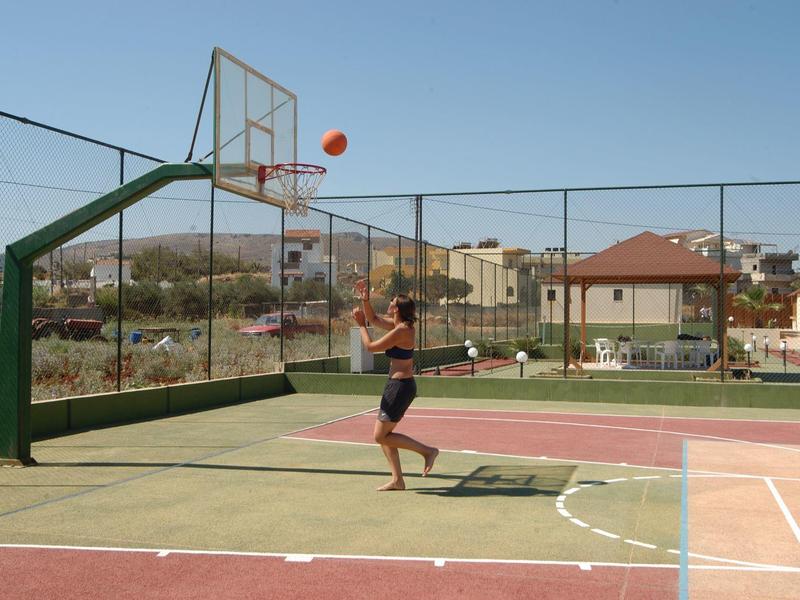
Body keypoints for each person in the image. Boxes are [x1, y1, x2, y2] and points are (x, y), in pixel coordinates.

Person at [352, 279, 438, 491]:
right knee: (385, 437)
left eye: (391, 302)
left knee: (380, 436)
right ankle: (397, 480)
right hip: (397, 385)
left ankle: (427, 451)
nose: (389, 304)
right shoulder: (402, 326)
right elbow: (373, 317)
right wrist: (365, 300)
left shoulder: (402, 331)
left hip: (400, 387)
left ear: (397, 309)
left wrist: (361, 325)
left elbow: (370, 347)